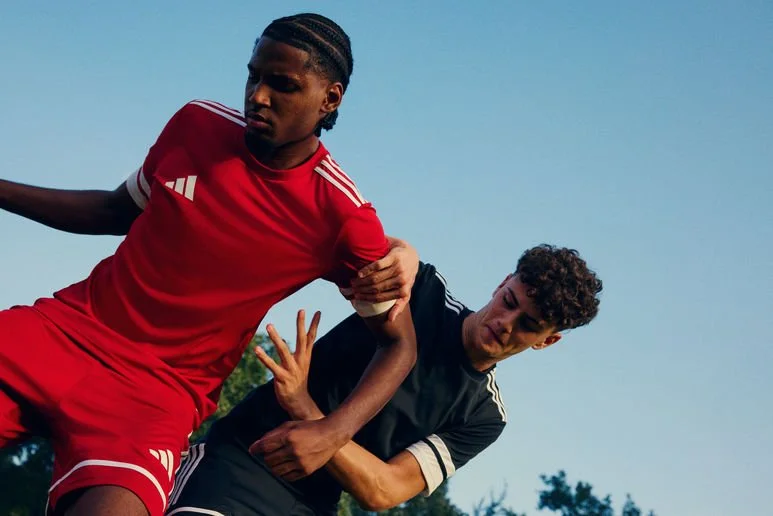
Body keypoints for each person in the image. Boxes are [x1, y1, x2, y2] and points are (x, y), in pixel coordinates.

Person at [0, 13, 420, 516]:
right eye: (253, 76)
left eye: (283, 85)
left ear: (330, 98)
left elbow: (400, 345)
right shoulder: (196, 123)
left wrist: (332, 431)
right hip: (64, 332)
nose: (258, 96)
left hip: (156, 395)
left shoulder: (341, 217)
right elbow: (115, 211)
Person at [165, 244, 604, 516]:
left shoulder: (485, 416)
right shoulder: (424, 290)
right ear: (502, 283)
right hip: (243, 456)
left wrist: (307, 410)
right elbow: (361, 242)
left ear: (547, 342)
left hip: (311, 505)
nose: (506, 322)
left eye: (528, 325)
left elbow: (385, 488)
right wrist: (403, 252)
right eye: (509, 301)